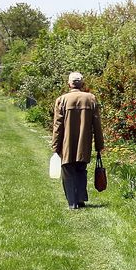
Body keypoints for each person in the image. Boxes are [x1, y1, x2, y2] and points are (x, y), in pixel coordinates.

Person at [52, 72, 104, 209]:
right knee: (81, 170)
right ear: (82, 84)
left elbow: (58, 126)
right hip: (84, 144)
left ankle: (72, 203)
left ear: (69, 84)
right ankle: (80, 199)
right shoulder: (91, 99)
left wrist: (55, 147)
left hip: (66, 144)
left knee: (68, 171)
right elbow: (97, 124)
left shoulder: (61, 100)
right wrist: (99, 145)